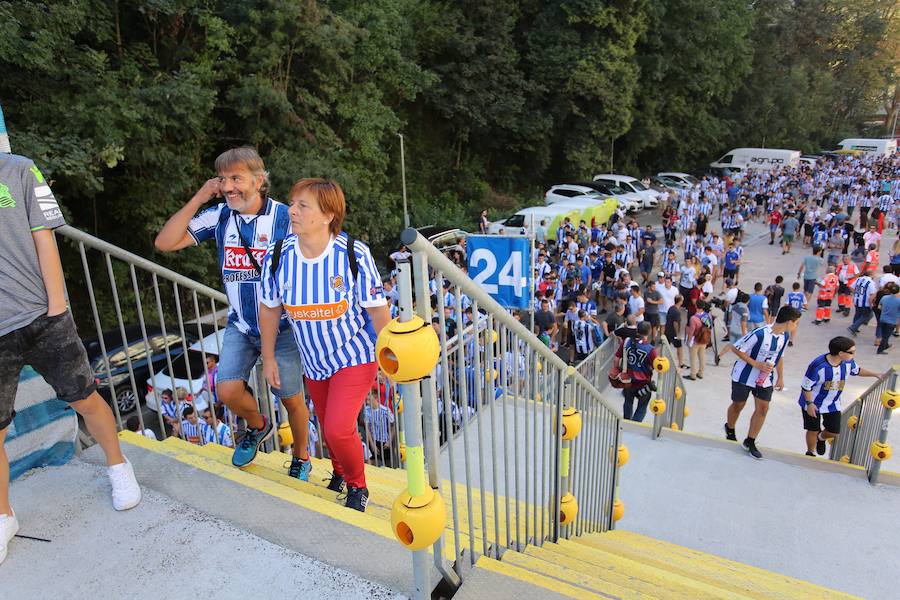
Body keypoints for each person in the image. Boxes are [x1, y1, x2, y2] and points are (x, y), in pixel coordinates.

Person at [0, 153, 142, 565]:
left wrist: (57, 307)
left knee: (82, 396)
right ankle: (4, 515)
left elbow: (43, 235)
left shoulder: (18, 169)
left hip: (43, 316)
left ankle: (118, 465)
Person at [154, 147, 311, 479]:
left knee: (292, 399)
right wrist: (199, 197)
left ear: (259, 180)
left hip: (282, 327)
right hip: (240, 325)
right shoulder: (220, 215)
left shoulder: (285, 217)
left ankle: (301, 454)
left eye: (236, 178)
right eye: (223, 179)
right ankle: (257, 425)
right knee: (225, 390)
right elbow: (165, 243)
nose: (228, 187)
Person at [260, 178, 390, 512]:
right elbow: (269, 309)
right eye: (292, 203)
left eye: (303, 206)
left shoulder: (352, 255)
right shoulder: (278, 255)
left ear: (328, 215)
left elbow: (377, 311)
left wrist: (391, 357)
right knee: (324, 420)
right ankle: (338, 470)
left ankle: (358, 486)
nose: (292, 211)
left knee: (337, 426)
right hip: (314, 362)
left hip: (354, 356)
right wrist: (269, 356)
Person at [722, 306, 802, 460]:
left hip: (765, 378)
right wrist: (756, 364)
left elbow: (780, 356)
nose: (796, 326)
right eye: (796, 323)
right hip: (744, 376)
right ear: (789, 322)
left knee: (763, 408)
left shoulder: (784, 337)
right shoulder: (759, 333)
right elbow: (737, 348)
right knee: (738, 404)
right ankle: (730, 428)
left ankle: (750, 440)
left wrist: (780, 377)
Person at [799, 336, 879, 457]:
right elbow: (806, 386)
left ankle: (821, 438)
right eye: (851, 352)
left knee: (834, 431)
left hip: (832, 403)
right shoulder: (818, 366)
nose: (854, 354)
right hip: (813, 402)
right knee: (812, 429)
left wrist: (876, 374)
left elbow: (857, 371)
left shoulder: (847, 363)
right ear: (841, 353)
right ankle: (810, 452)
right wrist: (810, 404)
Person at [616, 322, 658, 422]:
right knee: (642, 407)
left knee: (628, 402)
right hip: (643, 383)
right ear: (649, 332)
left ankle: (626, 422)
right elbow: (656, 366)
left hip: (628, 380)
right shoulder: (651, 350)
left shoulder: (626, 342)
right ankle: (635, 425)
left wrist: (619, 371)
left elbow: (616, 359)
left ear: (637, 330)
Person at [685, 301, 712, 380]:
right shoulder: (708, 316)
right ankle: (701, 372)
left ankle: (693, 374)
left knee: (693, 357)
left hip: (696, 339)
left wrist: (688, 341)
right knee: (702, 356)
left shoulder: (694, 318)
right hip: (704, 339)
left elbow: (691, 331)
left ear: (696, 307)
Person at [847, 268, 876, 336]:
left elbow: (851, 287)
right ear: (871, 274)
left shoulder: (859, 279)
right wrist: (872, 303)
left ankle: (855, 326)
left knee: (858, 314)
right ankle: (853, 327)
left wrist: (856, 293)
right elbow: (872, 294)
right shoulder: (871, 282)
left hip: (857, 300)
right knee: (867, 315)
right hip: (865, 302)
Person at [875, 283, 900, 354]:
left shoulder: (884, 297)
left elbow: (879, 307)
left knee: (884, 334)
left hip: (882, 319)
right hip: (892, 321)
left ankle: (886, 345)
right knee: (886, 337)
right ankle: (880, 350)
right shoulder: (898, 301)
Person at [664, 295, 686, 369]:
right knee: (679, 348)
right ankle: (681, 363)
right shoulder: (677, 312)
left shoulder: (671, 308)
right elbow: (675, 323)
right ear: (680, 301)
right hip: (673, 333)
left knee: (665, 346)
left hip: (667, 330)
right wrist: (677, 334)